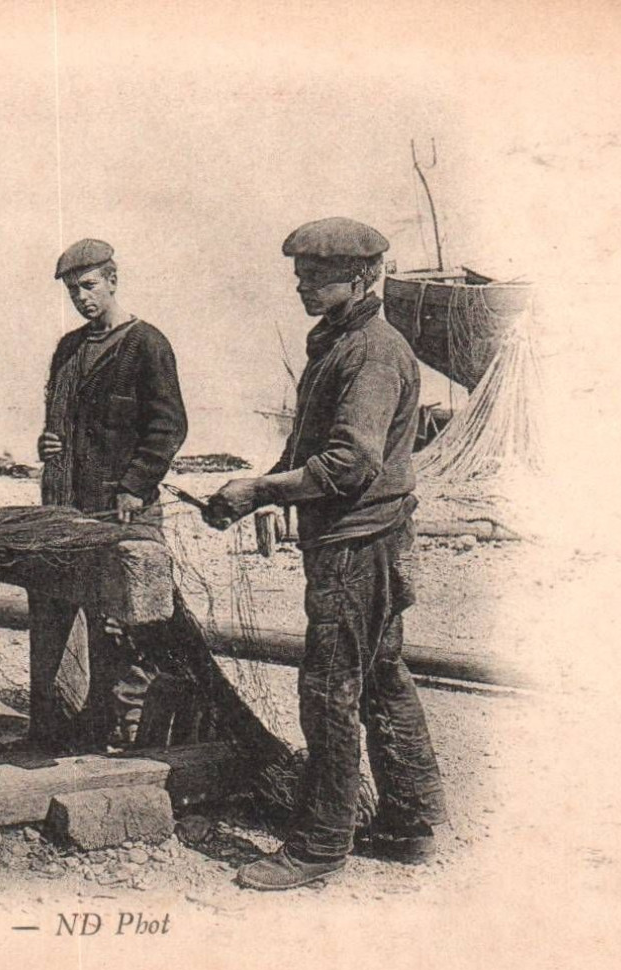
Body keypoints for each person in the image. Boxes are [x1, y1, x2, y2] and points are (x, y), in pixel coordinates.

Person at [204, 217, 446, 890]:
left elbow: (347, 463)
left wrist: (257, 488)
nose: (301, 284)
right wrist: (263, 492)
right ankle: (408, 823)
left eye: (316, 274)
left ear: (365, 275)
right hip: (363, 539)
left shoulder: (370, 352)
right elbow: (312, 447)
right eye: (299, 273)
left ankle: (318, 845)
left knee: (329, 690)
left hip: (356, 546)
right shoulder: (339, 343)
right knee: (379, 676)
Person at [31, 238, 188, 750]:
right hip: (72, 511)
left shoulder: (147, 344)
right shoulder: (69, 349)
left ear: (113, 281)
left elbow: (167, 428)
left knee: (126, 626)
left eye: (90, 285)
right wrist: (48, 442)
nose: (81, 297)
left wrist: (134, 488)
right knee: (67, 615)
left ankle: (131, 738)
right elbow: (62, 423)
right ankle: (80, 729)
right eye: (73, 290)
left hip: (124, 511)